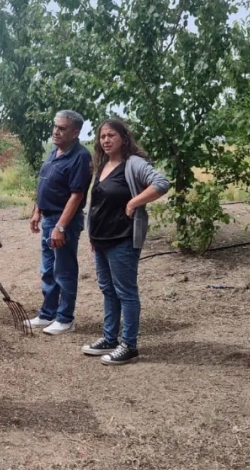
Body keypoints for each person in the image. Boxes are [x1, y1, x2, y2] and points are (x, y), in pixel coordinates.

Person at [81, 119, 169, 365]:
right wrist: (93, 235)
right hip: (101, 239)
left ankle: (128, 345)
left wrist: (133, 203)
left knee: (126, 293)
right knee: (108, 290)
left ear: (123, 138)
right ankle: (110, 338)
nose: (106, 140)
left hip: (123, 238)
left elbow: (162, 184)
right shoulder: (102, 165)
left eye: (111, 135)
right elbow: (98, 203)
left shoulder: (134, 164)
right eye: (102, 136)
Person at [24, 110, 93, 335]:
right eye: (55, 126)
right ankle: (47, 314)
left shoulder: (81, 157)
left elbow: (76, 195)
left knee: (64, 270)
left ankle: (65, 318)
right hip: (48, 218)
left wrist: (60, 226)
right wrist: (37, 211)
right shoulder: (55, 151)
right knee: (47, 269)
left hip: (64, 221)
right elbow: (44, 181)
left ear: (75, 132)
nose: (56, 131)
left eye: (62, 128)